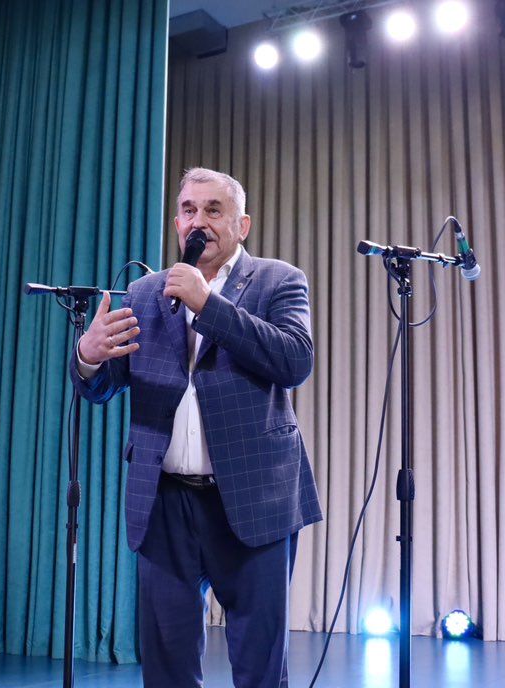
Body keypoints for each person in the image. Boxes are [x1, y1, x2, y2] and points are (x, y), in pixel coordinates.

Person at [71, 167, 321, 687]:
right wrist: (89, 358)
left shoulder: (278, 280)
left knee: (259, 667)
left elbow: (294, 361)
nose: (198, 221)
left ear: (241, 225)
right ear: (177, 223)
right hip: (164, 503)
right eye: (188, 210)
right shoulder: (145, 292)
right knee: (167, 668)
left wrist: (208, 305)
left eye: (213, 210)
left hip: (252, 498)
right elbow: (104, 386)